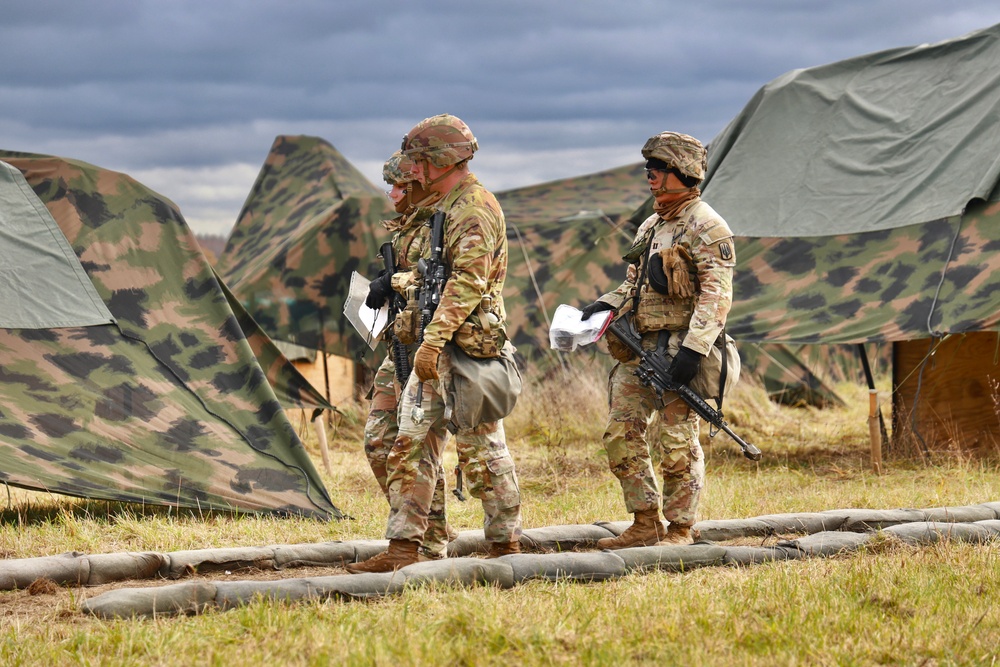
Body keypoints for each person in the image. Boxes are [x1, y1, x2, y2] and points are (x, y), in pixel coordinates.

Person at [347, 114, 522, 573]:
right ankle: (415, 546)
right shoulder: (436, 209)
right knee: (399, 442)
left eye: (420, 162)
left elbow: (467, 283)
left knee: (482, 451)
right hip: (422, 340)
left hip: (464, 350)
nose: (413, 172)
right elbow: (429, 274)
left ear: (440, 161)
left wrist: (432, 343)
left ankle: (506, 548)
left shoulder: (475, 209)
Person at [581, 131, 736, 548]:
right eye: (649, 168)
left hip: (679, 351)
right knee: (620, 433)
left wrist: (693, 349)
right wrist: (604, 304)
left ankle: (681, 528)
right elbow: (633, 285)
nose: (649, 175)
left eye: (659, 168)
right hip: (640, 349)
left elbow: (717, 295)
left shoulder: (708, 226)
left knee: (675, 440)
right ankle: (645, 520)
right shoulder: (651, 225)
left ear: (682, 173)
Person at [358, 151, 454, 561]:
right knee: (378, 441)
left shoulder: (442, 223)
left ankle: (420, 545)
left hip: (428, 348)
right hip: (397, 342)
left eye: (399, 185)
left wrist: (391, 280)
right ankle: (430, 533)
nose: (392, 192)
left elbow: (445, 278)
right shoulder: (405, 229)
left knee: (416, 448)